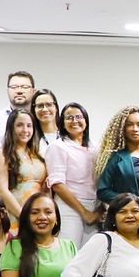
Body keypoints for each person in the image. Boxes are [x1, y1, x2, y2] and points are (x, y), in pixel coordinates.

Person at [95, 106, 139, 237]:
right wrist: (134, 201)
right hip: (124, 221)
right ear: (123, 129)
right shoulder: (115, 158)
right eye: (129, 125)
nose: (135, 128)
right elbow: (102, 191)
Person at [46, 102, 99, 248]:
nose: (74, 121)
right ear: (62, 123)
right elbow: (57, 185)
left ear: (86, 121)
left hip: (93, 207)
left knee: (90, 254)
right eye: (69, 118)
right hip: (69, 207)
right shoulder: (57, 146)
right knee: (69, 252)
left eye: (79, 117)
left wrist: (97, 210)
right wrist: (84, 212)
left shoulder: (95, 147)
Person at [0, 109, 49, 218]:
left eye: (29, 126)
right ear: (11, 128)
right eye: (19, 125)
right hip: (15, 214)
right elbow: (1, 190)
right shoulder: (3, 154)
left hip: (38, 215)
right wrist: (23, 217)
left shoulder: (37, 155)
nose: (25, 130)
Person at [0, 70, 36, 140]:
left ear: (34, 91)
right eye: (14, 87)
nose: (19, 91)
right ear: (7, 90)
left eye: (25, 87)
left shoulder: (40, 118)